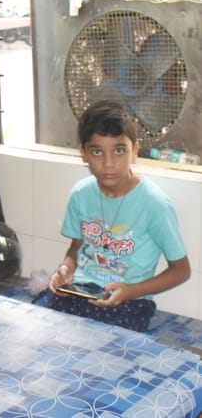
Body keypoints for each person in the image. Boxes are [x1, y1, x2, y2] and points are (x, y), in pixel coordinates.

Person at [39, 100, 190, 332]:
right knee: (38, 324)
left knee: (103, 340)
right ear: (83, 154)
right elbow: (75, 248)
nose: (108, 163)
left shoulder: (154, 204)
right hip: (81, 290)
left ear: (134, 151)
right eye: (97, 151)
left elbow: (181, 271)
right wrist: (65, 270)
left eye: (119, 150)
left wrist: (131, 291)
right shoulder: (81, 194)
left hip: (130, 301)